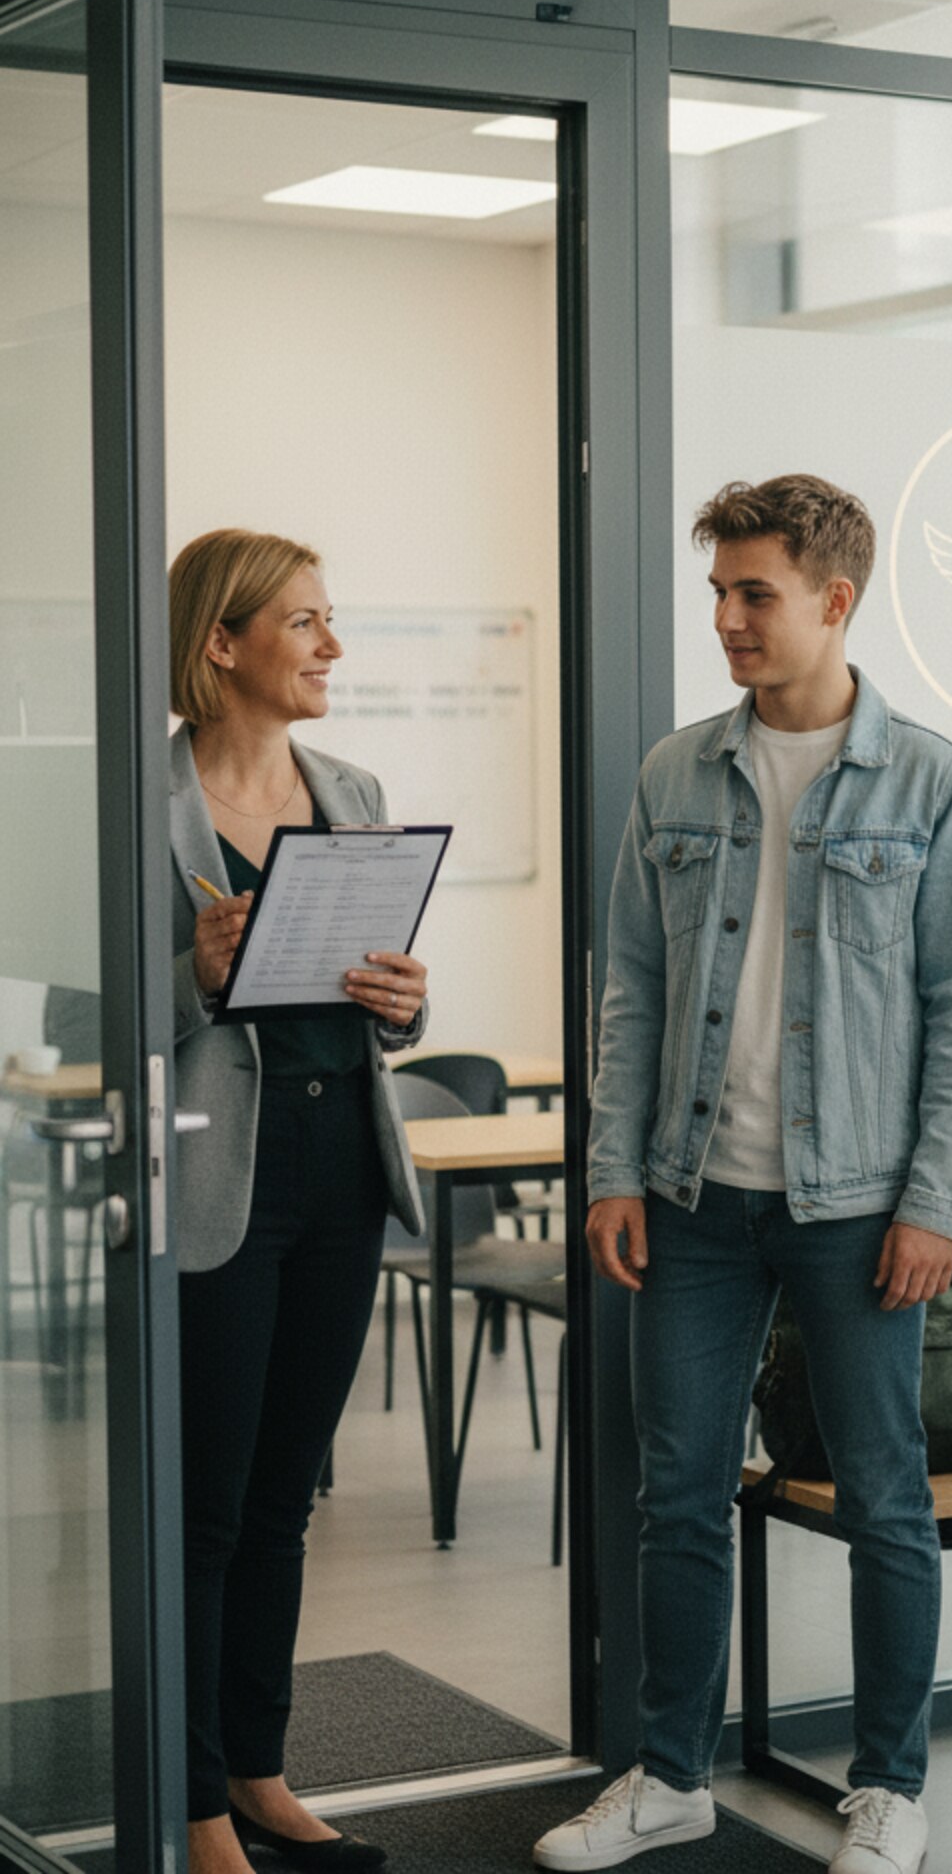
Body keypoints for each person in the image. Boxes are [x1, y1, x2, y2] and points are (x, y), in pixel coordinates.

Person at [538, 475, 952, 1874]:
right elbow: (627, 982)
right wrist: (612, 1164)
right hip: (689, 1197)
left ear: (835, 602)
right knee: (676, 1489)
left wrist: (933, 1202)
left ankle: (889, 1787)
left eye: (757, 595)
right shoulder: (678, 772)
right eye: (720, 594)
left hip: (859, 1202)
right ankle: (670, 1771)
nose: (729, 621)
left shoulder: (930, 779)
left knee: (884, 1499)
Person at [168, 530, 431, 1874]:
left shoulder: (350, 786)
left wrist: (405, 1002)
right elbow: (73, 1003)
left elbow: (373, 990)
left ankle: (261, 1771)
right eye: (305, 622)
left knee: (287, 1498)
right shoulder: (140, 802)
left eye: (331, 621)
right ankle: (195, 1799)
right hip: (220, 1174)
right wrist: (189, 975)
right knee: (206, 1506)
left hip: (340, 1171)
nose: (331, 646)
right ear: (224, 644)